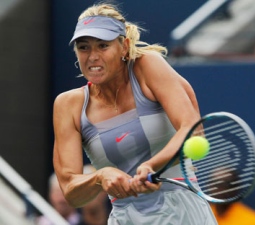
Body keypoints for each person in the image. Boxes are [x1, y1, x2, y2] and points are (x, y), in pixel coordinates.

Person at [53, 2, 217, 225]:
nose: (92, 56)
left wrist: (151, 165)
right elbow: (71, 190)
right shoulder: (67, 105)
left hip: (183, 214)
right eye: (84, 47)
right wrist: (100, 177)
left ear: (124, 46)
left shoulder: (148, 65)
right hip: (125, 218)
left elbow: (192, 129)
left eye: (103, 46)